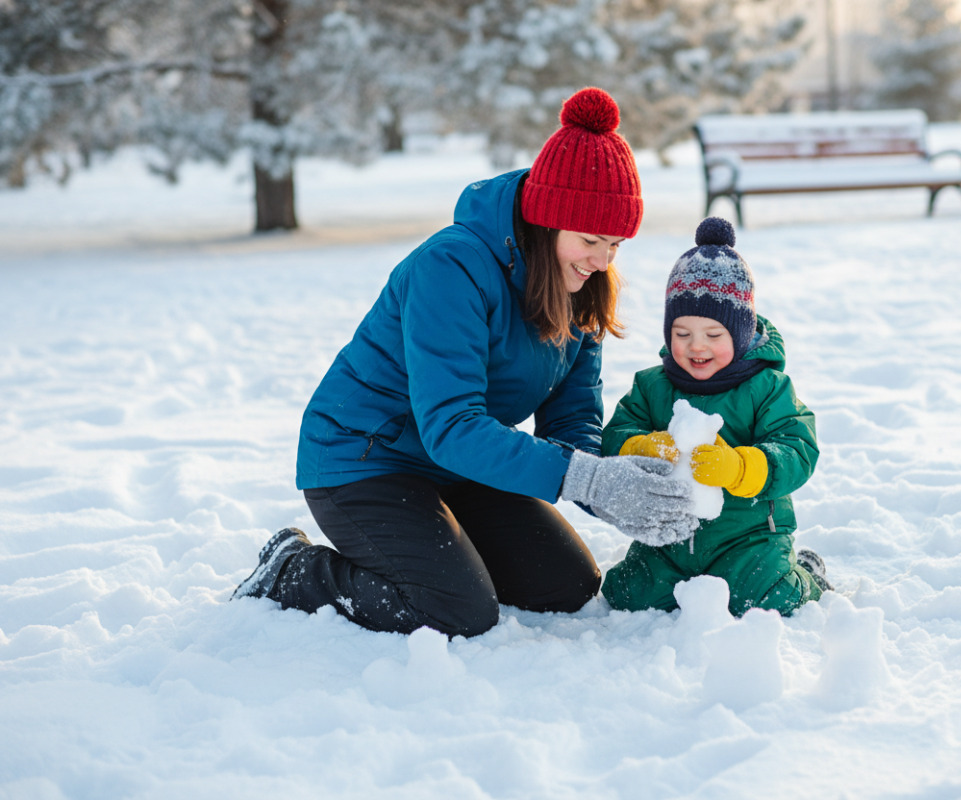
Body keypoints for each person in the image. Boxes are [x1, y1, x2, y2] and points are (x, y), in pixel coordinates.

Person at [231, 87, 698, 637]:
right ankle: (293, 570)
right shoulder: (451, 268)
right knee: (454, 610)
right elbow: (450, 425)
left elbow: (571, 426)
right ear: (549, 222)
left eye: (616, 245)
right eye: (591, 240)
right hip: (364, 458)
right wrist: (588, 481)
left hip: (458, 465)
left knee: (564, 586)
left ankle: (441, 553)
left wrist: (622, 486)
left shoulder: (584, 288)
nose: (601, 262)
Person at [600, 216, 832, 617]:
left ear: (740, 334)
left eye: (713, 334)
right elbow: (616, 432)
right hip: (668, 538)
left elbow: (797, 447)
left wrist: (739, 467)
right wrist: (641, 445)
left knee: (765, 596)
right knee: (626, 594)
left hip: (747, 538)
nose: (696, 347)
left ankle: (806, 575)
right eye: (682, 333)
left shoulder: (768, 387)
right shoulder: (652, 386)